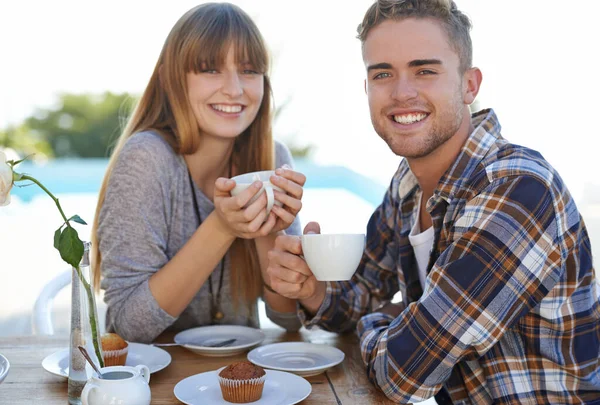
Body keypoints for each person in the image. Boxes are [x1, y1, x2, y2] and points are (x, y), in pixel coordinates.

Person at [265, 0, 600, 403]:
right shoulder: (407, 186)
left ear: (469, 85)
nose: (402, 92)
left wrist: (388, 320)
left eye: (425, 70)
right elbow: (357, 299)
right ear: (367, 88)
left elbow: (404, 375)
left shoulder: (517, 190)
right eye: (383, 73)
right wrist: (312, 289)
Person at [91, 2, 306, 344]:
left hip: (240, 384)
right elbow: (127, 327)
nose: (235, 89)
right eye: (210, 69)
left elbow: (289, 319)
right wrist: (221, 227)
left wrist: (269, 233)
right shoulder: (146, 160)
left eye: (249, 71)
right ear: (171, 79)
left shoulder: (272, 157)